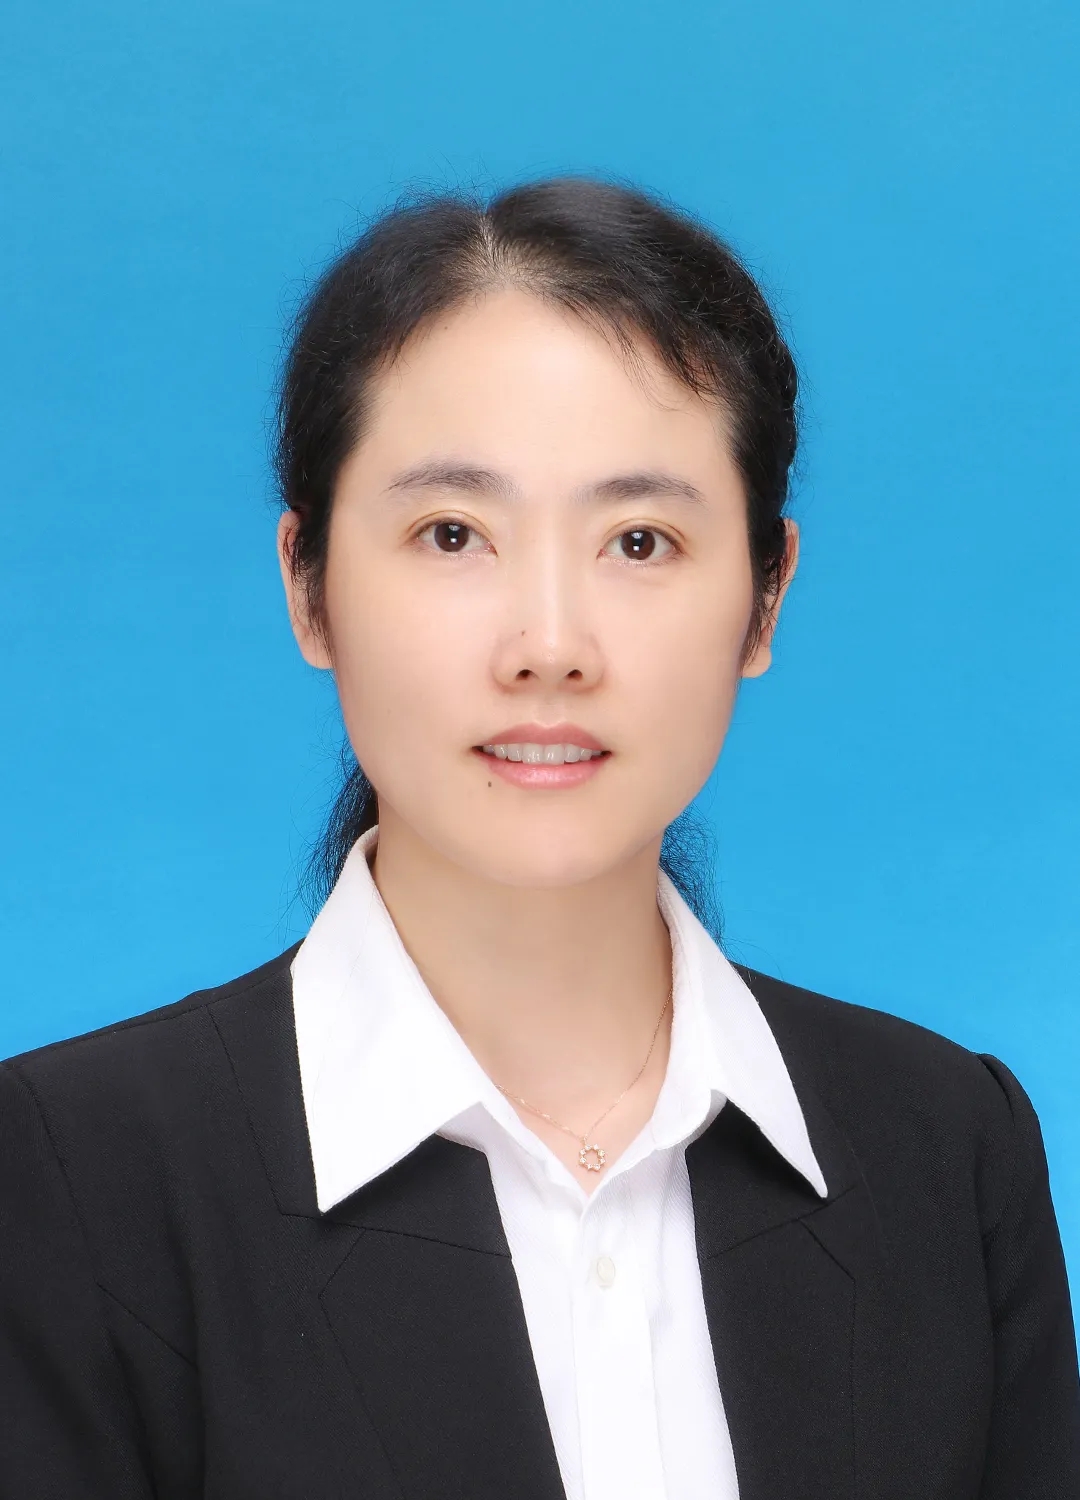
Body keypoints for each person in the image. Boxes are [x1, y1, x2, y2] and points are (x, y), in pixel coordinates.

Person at [1, 175, 1077, 1500]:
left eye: (641, 540)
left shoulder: (947, 1149)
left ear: (766, 597)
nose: (550, 645)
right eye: (453, 534)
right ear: (308, 585)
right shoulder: (69, 1177)